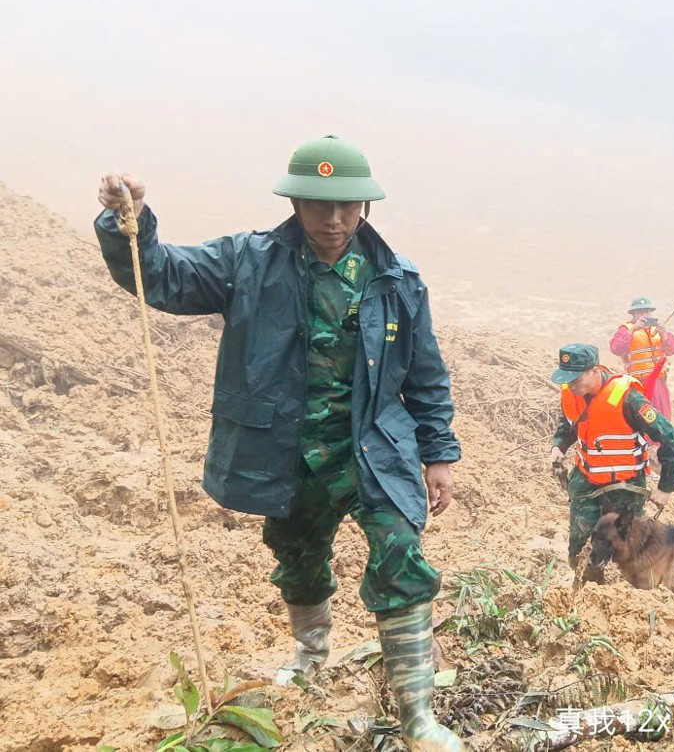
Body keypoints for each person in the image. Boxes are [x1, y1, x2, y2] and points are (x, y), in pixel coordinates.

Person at [95, 136, 462, 751]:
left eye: (347, 206)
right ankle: (311, 657)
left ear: (365, 207)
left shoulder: (398, 281)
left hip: (374, 449)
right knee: (298, 558)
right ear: (294, 203)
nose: (335, 219)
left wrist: (439, 452)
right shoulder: (249, 260)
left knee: (402, 555)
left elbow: (425, 373)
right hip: (286, 452)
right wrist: (125, 221)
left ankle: (417, 715)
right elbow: (161, 276)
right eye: (320, 205)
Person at [548, 344, 674, 581]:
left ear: (594, 370)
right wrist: (559, 445)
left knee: (631, 551)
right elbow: (569, 424)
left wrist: (665, 487)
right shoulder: (572, 394)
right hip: (587, 480)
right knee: (579, 552)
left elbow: (669, 436)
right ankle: (590, 591)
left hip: (625, 486)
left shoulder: (628, 397)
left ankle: (631, 593)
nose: (571, 386)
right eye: (567, 380)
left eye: (576, 379)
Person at [609, 296, 674, 418]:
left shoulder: (659, 329)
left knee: (662, 416)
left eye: (647, 311)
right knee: (642, 417)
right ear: (633, 314)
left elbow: (672, 349)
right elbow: (616, 349)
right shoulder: (626, 329)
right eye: (640, 312)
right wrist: (632, 331)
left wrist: (664, 336)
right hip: (638, 384)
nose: (645, 314)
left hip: (658, 383)